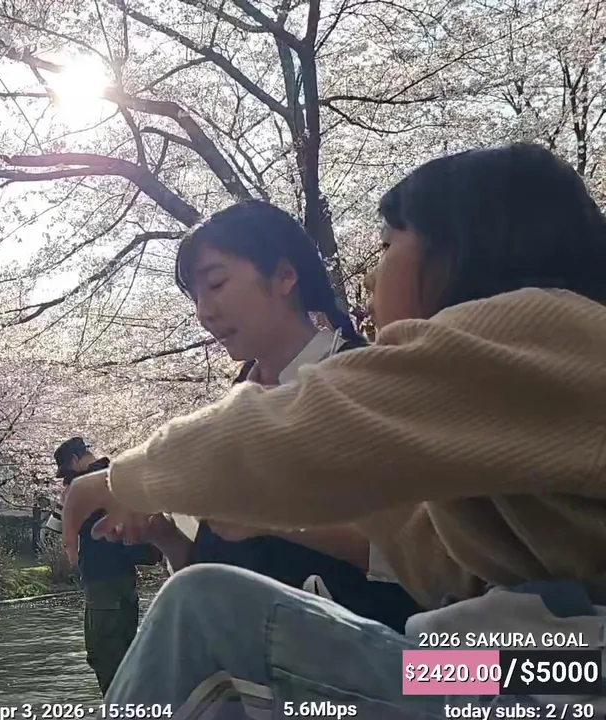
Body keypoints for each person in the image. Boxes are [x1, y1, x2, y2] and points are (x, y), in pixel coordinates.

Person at [63, 143, 606, 714]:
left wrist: (123, 478)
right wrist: (233, 516)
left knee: (202, 608)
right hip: (509, 662)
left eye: (387, 246)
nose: (370, 275)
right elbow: (440, 562)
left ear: (460, 248)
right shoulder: (522, 370)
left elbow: (302, 429)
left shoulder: (531, 329)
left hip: (549, 670)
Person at [159, 199, 420, 632]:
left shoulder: (368, 384)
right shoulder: (229, 414)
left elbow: (436, 555)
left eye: (216, 283)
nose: (204, 312)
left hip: (406, 661)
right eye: (195, 295)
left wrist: (274, 519)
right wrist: (165, 537)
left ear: (284, 276)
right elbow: (219, 580)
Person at [51, 437, 190, 696]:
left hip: (101, 583)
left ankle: (120, 708)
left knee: (104, 656)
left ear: (74, 461)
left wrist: (76, 560)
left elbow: (62, 534)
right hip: (126, 580)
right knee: (127, 654)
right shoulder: (121, 480)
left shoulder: (79, 488)